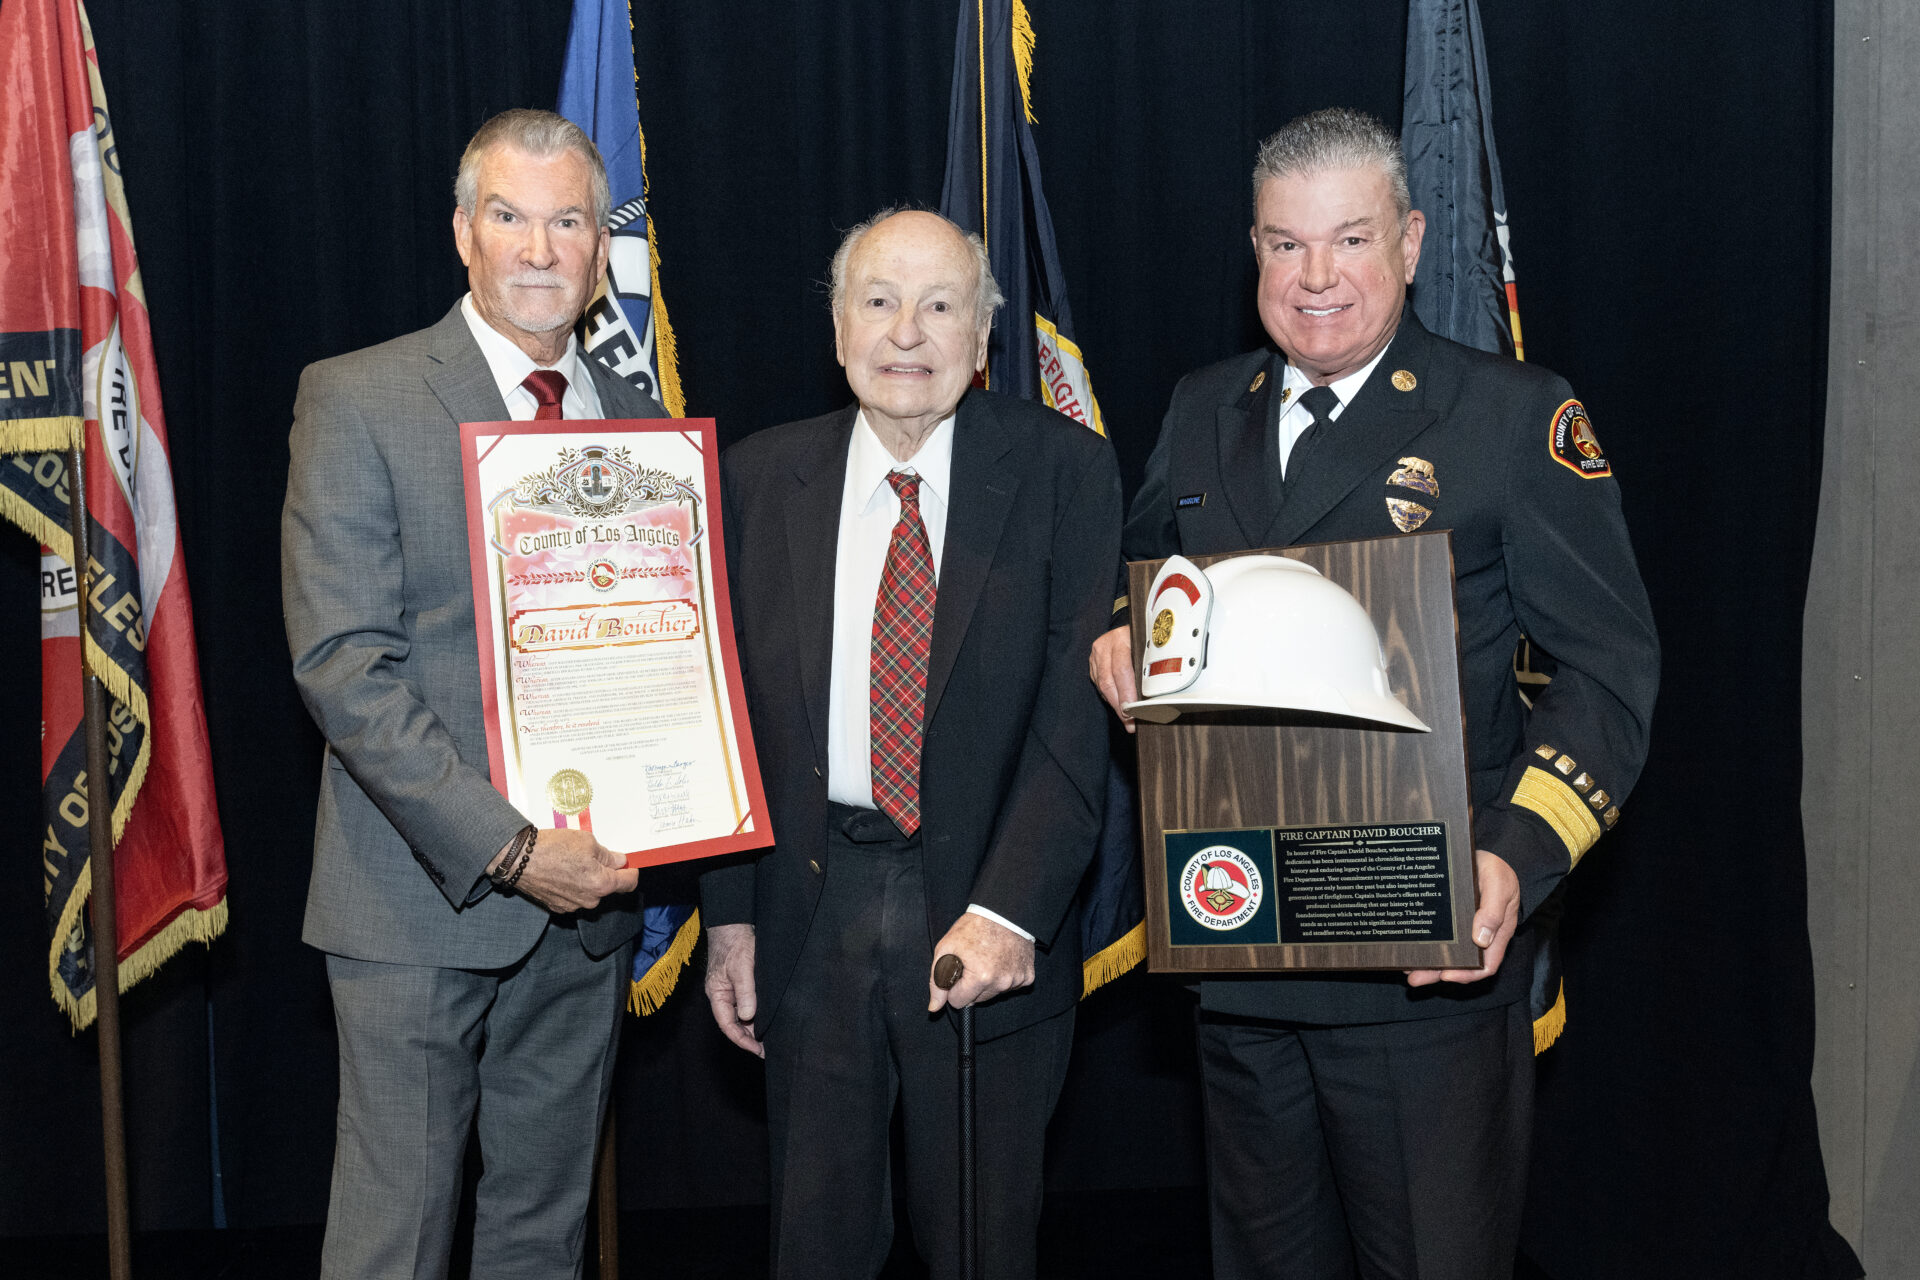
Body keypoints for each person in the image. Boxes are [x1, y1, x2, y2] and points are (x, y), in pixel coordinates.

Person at [1088, 108, 1659, 1279]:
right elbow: (1141, 581)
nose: (1316, 277)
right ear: (1254, 251)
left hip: (1426, 980)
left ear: (1408, 241)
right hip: (1240, 953)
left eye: (1348, 239)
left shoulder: (1509, 416)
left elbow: (1608, 667)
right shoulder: (1204, 406)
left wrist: (1511, 855)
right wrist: (1115, 638)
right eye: (1285, 244)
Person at [700, 208, 1122, 1279]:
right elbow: (729, 712)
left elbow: (1076, 727)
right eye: (879, 301)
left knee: (982, 1244)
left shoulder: (1066, 471)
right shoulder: (754, 477)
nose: (907, 332)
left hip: (987, 910)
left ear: (981, 340)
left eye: (942, 306)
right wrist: (733, 917)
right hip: (809, 905)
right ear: (838, 329)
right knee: (815, 1243)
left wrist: (1010, 908)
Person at [282, 109, 664, 1280]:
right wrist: (507, 847)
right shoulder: (361, 396)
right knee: (393, 1239)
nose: (540, 249)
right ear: (463, 233)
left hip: (587, 903)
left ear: (604, 247)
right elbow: (344, 664)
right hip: (417, 901)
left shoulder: (640, 421)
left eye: (569, 221)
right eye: (510, 216)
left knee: (541, 1239)